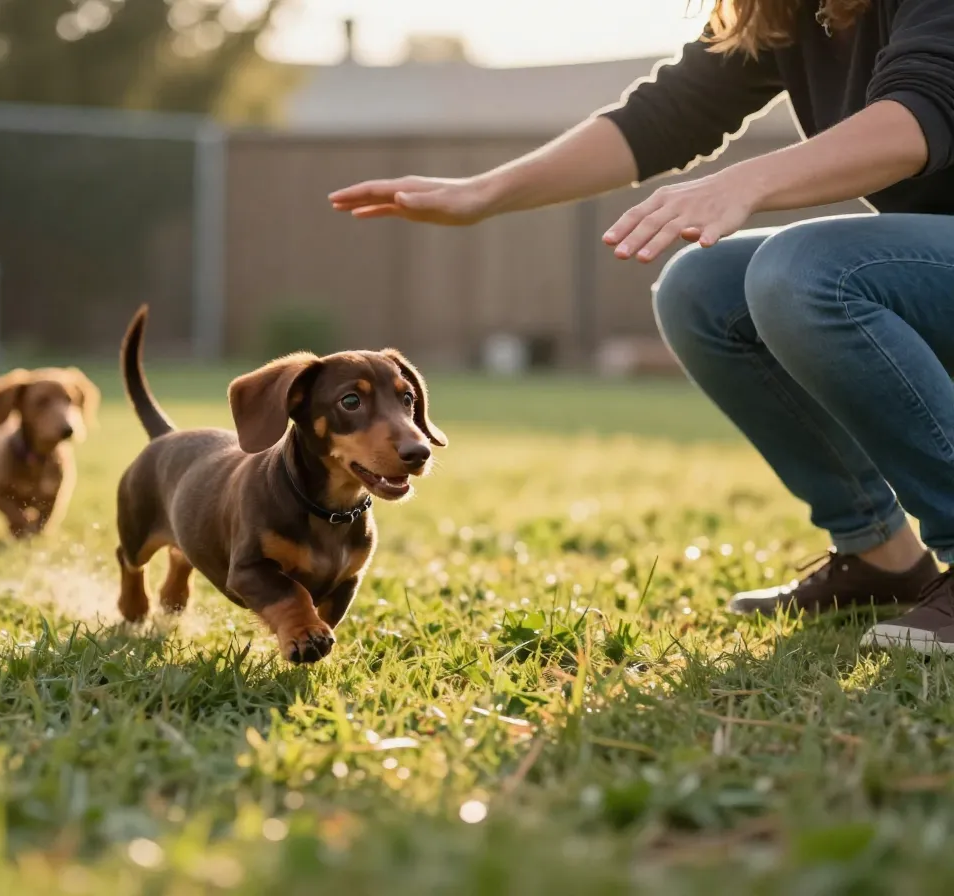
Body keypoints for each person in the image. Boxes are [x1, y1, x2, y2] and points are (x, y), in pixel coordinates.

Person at [329, 0, 954, 655]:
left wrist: (744, 183)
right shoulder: (787, 10)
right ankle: (878, 557)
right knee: (702, 288)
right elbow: (664, 117)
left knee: (803, 271)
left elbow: (916, 120)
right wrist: (486, 192)